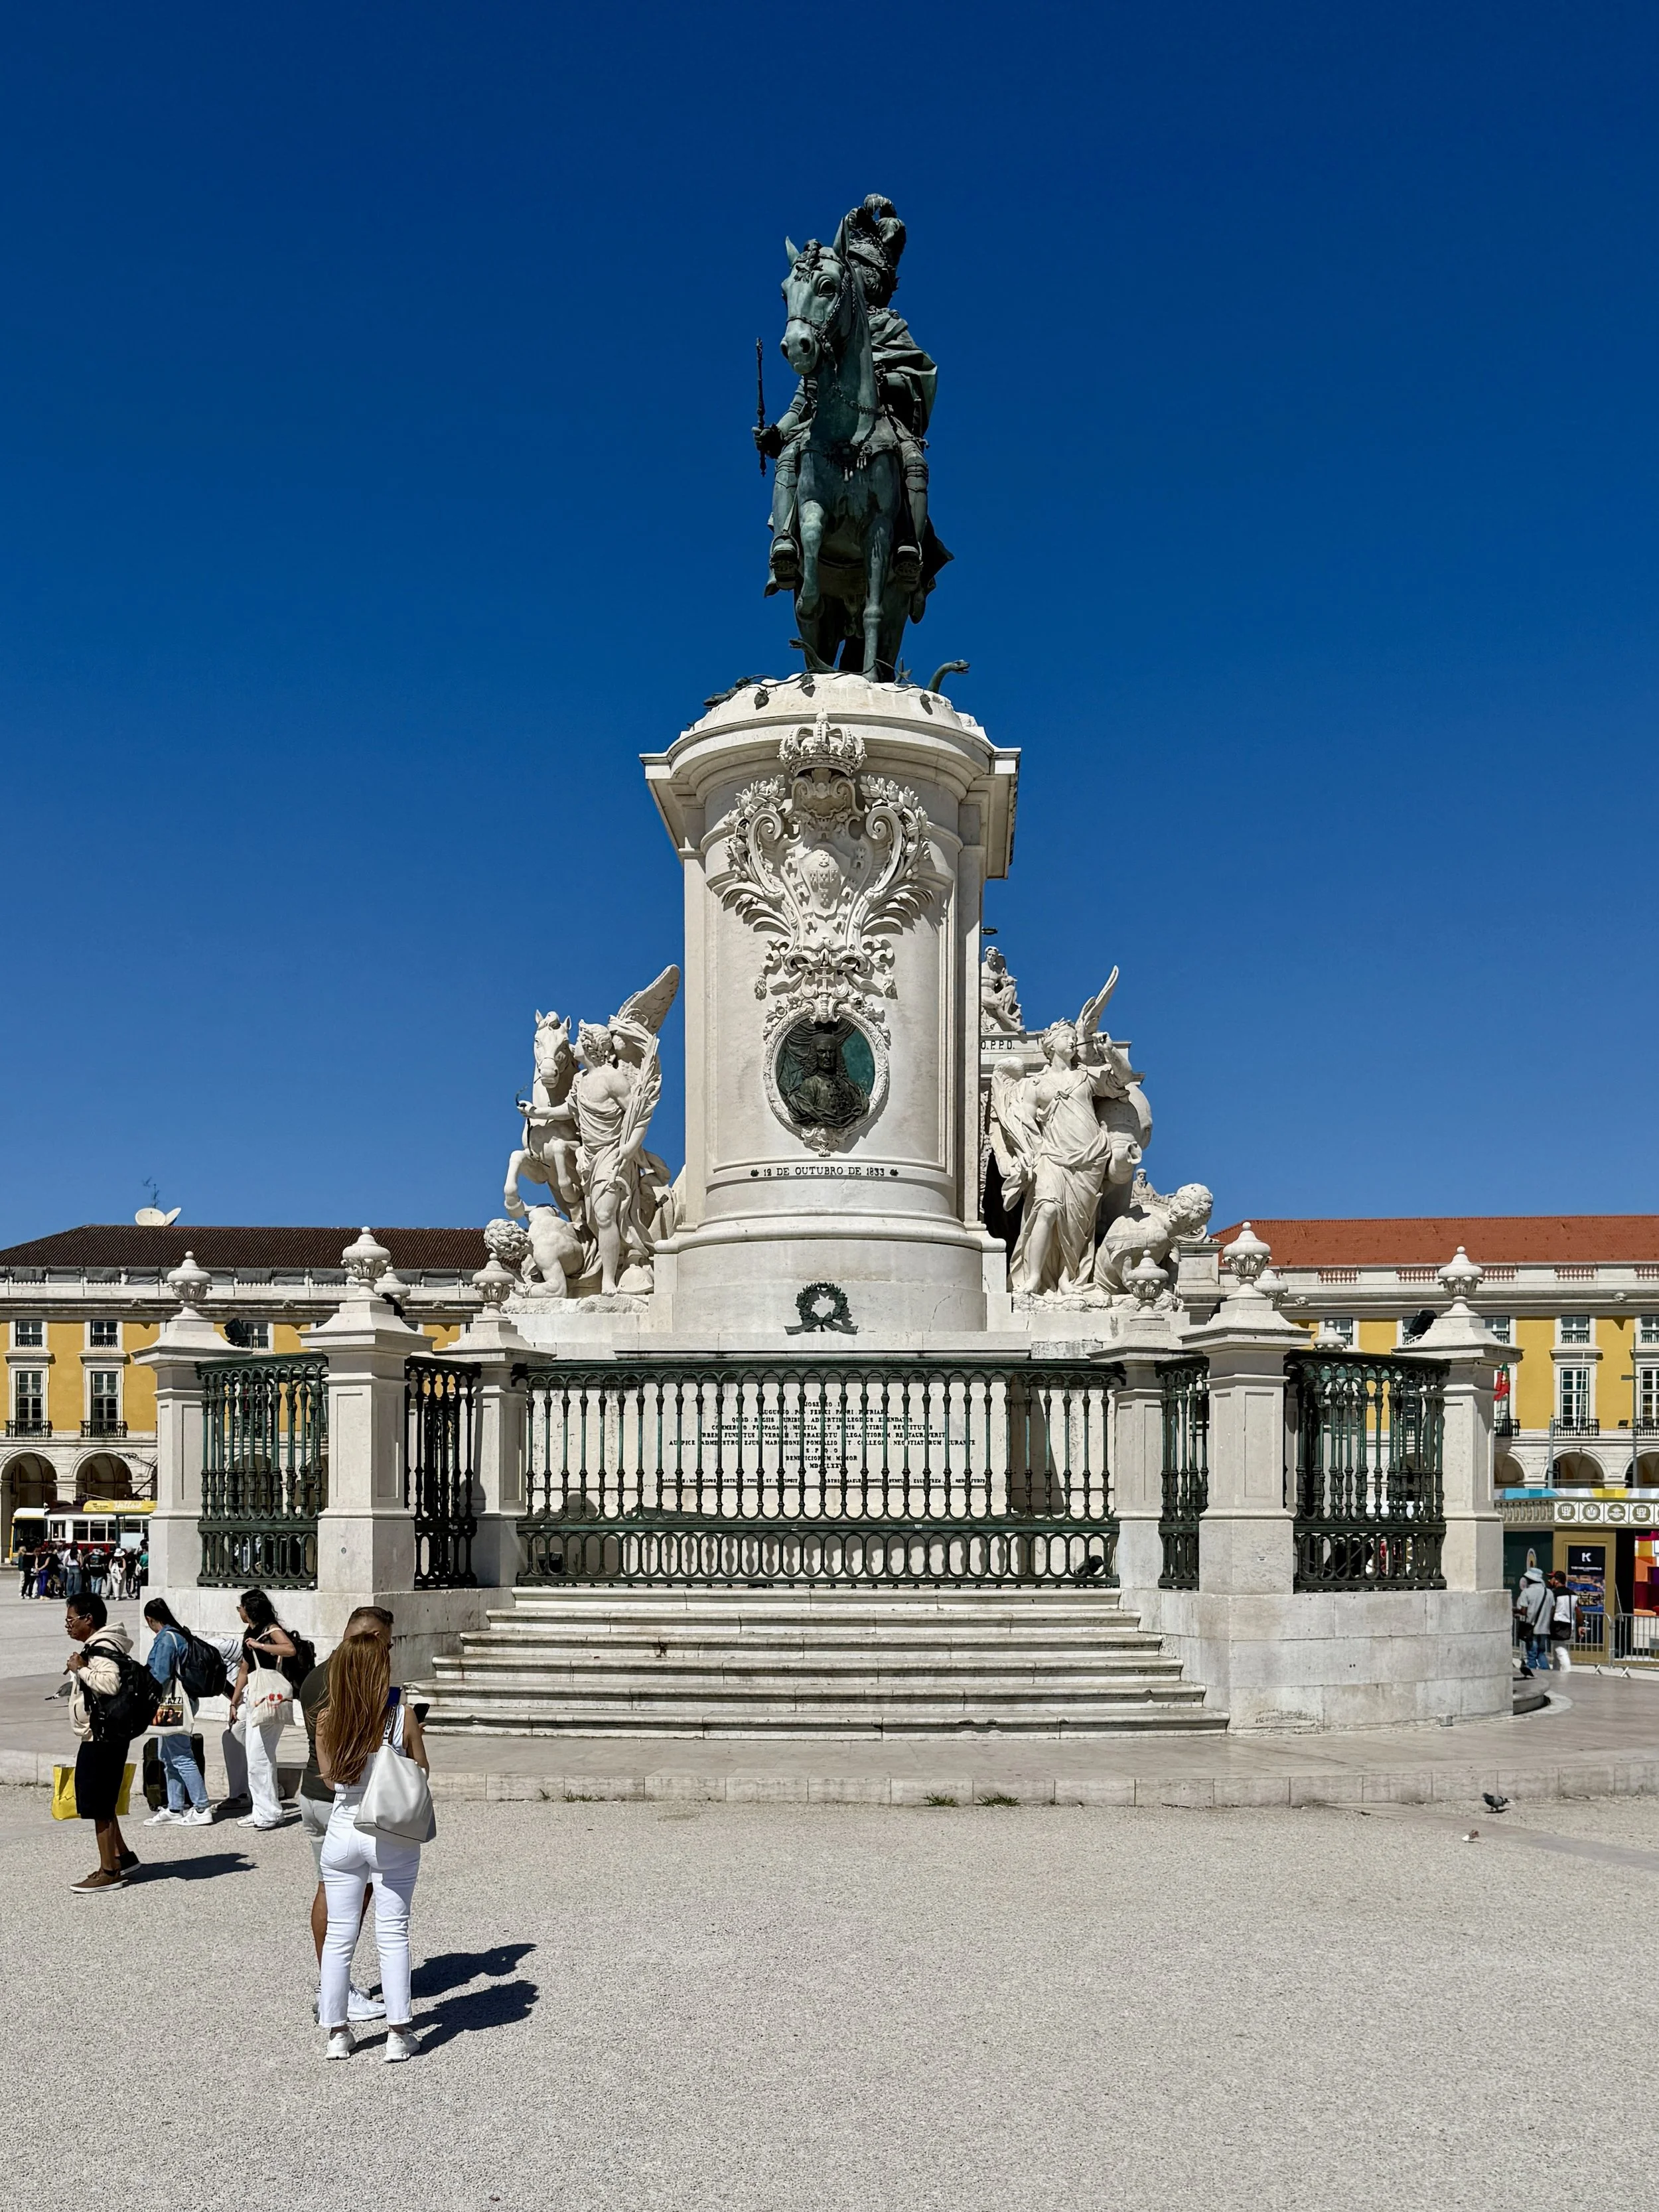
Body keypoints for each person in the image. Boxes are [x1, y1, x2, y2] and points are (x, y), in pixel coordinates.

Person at [317, 1618, 427, 2061]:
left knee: (340, 1936)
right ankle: (398, 2033)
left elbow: (329, 1779)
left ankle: (338, 2032)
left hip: (343, 1824)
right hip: (388, 1830)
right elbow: (421, 1769)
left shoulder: (327, 1717)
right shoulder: (401, 1715)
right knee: (393, 1932)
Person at [299, 1608, 394, 2028]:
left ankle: (332, 1987)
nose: (388, 1651)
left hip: (313, 1791)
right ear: (371, 1638)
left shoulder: (317, 1674)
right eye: (387, 1643)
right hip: (344, 1797)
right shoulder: (355, 1678)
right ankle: (334, 1990)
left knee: (332, 1889)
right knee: (350, 1897)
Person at [63, 1592, 141, 1892]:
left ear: (88, 1619)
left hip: (103, 1735)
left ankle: (109, 1871)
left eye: (71, 1620)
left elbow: (110, 1684)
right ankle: (123, 1857)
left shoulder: (102, 1647)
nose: (68, 1626)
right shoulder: (103, 1645)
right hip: (106, 1733)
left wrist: (79, 1668)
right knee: (103, 1798)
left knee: (98, 1803)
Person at [227, 1588, 309, 1830]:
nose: (239, 1611)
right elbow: (244, 1668)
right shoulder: (250, 1632)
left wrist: (262, 1647)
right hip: (255, 1696)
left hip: (270, 1696)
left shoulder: (270, 1630)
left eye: (241, 1607)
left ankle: (270, 1812)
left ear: (250, 1610)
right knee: (249, 1747)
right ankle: (261, 1808)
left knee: (260, 1757)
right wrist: (234, 1701)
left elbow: (289, 1649)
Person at [140, 1599, 213, 1827]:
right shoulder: (177, 1635)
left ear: (150, 1620)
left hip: (174, 1703)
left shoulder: (167, 1640)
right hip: (177, 1702)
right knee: (168, 1757)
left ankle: (202, 1808)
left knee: (181, 1756)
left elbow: (160, 1675)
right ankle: (175, 1807)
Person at [1514, 1566, 1552, 1677]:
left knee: (1531, 1653)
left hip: (1531, 1628)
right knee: (1541, 1652)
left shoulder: (1526, 1592)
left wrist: (1513, 1610)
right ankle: (1547, 1674)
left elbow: (1524, 1611)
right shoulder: (1549, 1592)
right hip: (1544, 1628)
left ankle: (1533, 1675)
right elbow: (1552, 1609)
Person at [1548, 1572, 1577, 1672]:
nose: (1549, 1581)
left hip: (1557, 1623)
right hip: (1569, 1623)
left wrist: (1548, 1623)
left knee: (1560, 1649)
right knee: (1557, 1648)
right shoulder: (1573, 1594)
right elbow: (1578, 1611)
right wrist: (1581, 1625)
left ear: (1556, 1581)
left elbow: (1552, 1609)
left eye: (1551, 1578)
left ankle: (1567, 1670)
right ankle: (1556, 1670)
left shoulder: (1554, 1594)